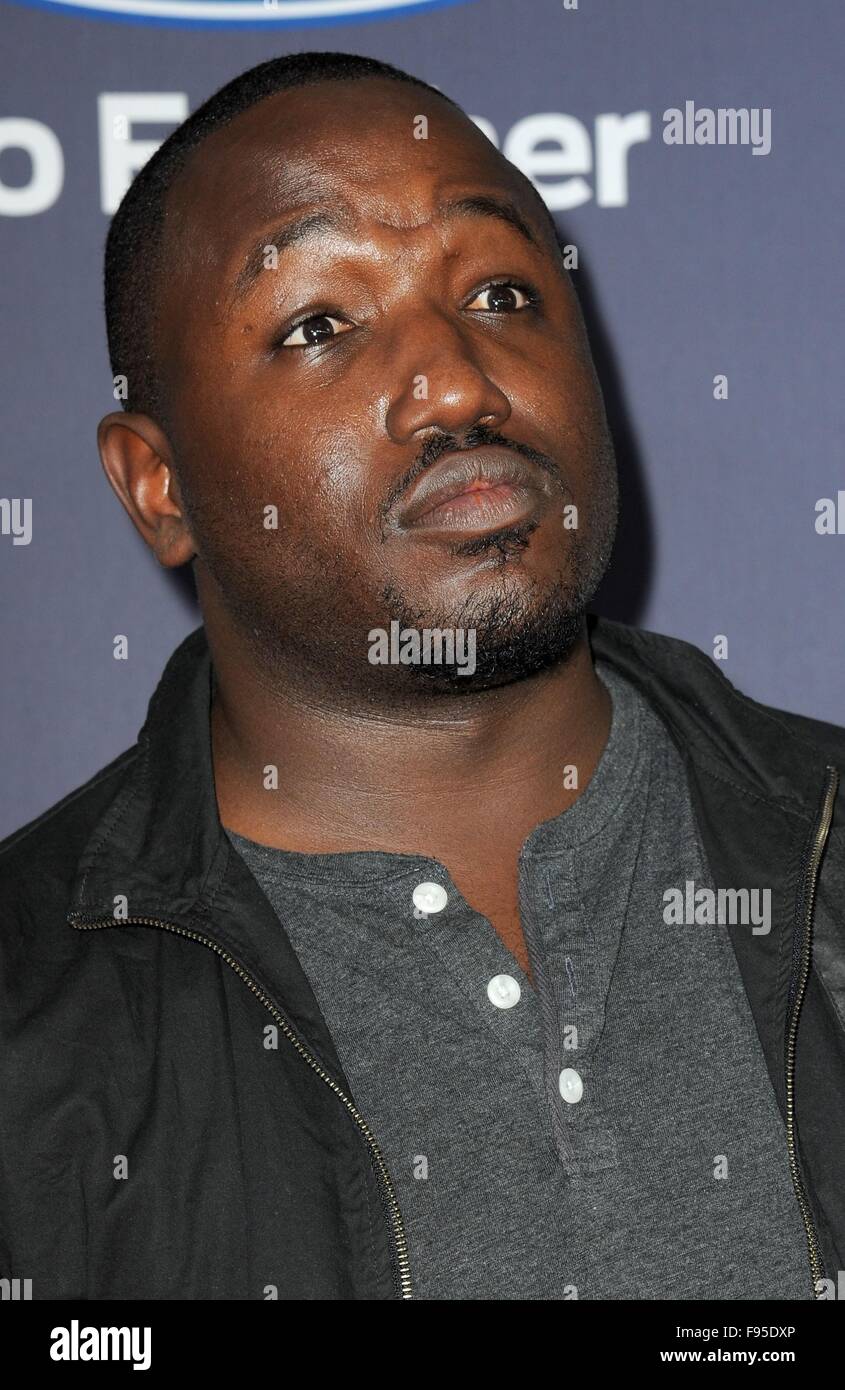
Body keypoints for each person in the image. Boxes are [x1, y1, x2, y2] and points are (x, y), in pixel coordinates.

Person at [1, 50, 844, 1302]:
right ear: (158, 484)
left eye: (501, 294)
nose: (455, 381)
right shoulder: (29, 1028)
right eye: (318, 325)